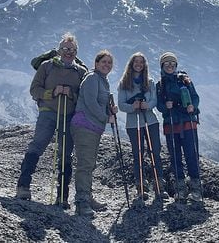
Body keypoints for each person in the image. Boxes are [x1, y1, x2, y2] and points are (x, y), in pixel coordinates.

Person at [16, 32, 87, 210]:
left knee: (65, 153)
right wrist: (52, 93)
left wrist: (71, 94)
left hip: (68, 115)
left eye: (71, 49)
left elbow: (83, 97)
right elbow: (34, 90)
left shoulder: (81, 72)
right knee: (38, 145)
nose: (68, 52)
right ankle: (23, 186)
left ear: (76, 51)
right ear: (59, 50)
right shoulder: (46, 67)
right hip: (48, 112)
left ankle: (62, 196)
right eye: (64, 49)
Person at [70, 50, 117, 217]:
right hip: (85, 125)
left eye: (109, 63)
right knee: (85, 165)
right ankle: (82, 202)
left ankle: (87, 197)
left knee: (89, 164)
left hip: (92, 127)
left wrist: (110, 110)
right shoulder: (92, 78)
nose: (106, 65)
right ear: (96, 63)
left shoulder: (102, 81)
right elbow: (90, 102)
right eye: (103, 62)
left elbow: (98, 102)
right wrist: (106, 117)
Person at [117, 52, 169, 202]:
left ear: (144, 65)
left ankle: (159, 185)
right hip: (134, 123)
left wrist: (147, 105)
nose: (138, 64)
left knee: (155, 151)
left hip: (150, 120)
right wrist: (133, 106)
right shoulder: (124, 83)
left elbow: (154, 100)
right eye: (136, 62)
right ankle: (141, 186)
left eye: (141, 62)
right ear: (131, 64)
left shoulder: (150, 82)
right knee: (137, 153)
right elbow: (121, 105)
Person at [155, 51, 202, 202]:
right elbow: (159, 105)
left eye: (172, 63)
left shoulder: (185, 80)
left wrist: (192, 107)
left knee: (191, 155)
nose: (170, 66)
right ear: (162, 65)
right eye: (167, 63)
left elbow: (194, 97)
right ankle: (181, 186)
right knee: (175, 157)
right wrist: (165, 106)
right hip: (172, 124)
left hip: (187, 122)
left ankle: (195, 186)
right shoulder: (160, 85)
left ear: (176, 65)